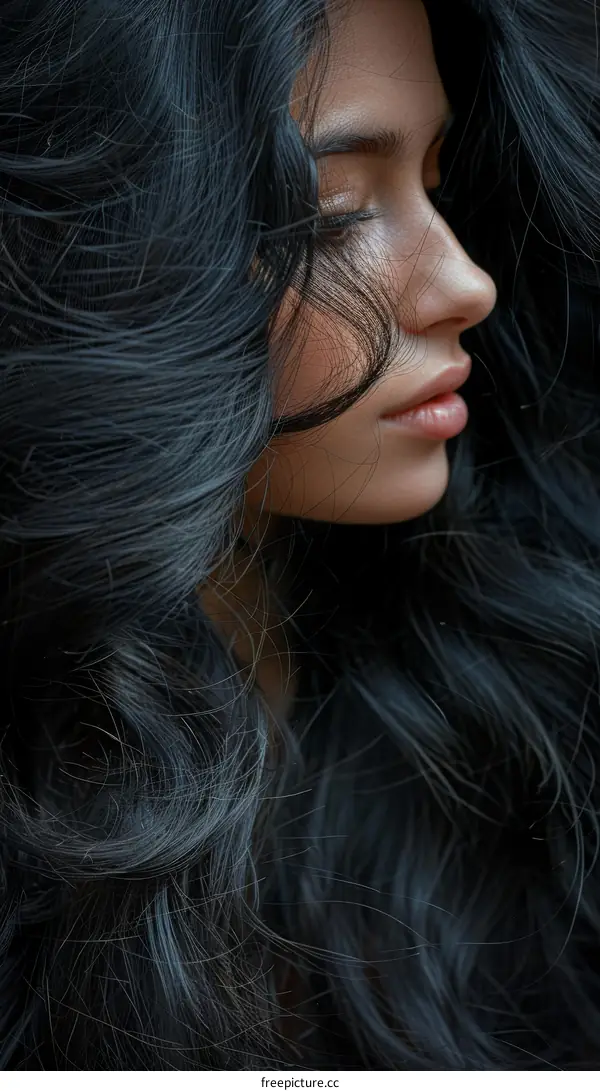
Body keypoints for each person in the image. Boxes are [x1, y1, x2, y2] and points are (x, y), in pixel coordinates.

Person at [0, 0, 598, 1070]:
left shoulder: (510, 718)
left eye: (438, 183)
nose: (466, 282)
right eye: (331, 210)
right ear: (92, 256)